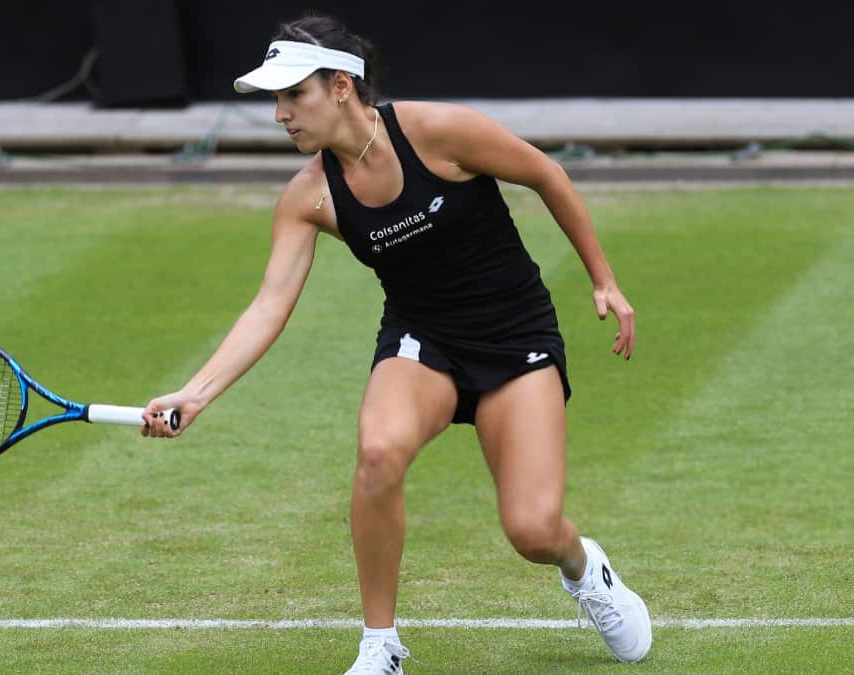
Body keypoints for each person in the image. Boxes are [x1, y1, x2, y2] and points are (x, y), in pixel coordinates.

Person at [141, 13, 651, 673]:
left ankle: (585, 569)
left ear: (341, 87)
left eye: (294, 95)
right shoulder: (309, 197)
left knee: (532, 531)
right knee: (378, 453)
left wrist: (604, 279)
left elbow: (546, 174)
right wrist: (196, 392)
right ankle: (380, 645)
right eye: (276, 99)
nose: (281, 115)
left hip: (514, 335)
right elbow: (269, 304)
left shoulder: (440, 132)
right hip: (422, 339)